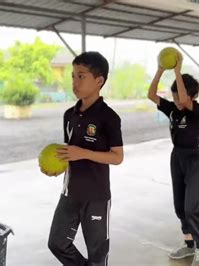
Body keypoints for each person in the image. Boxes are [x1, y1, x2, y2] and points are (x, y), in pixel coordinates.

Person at [46, 51, 124, 266]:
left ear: (99, 81)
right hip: (70, 192)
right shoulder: (68, 115)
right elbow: (70, 151)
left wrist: (84, 153)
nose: (74, 82)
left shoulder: (109, 117)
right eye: (73, 76)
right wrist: (57, 165)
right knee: (57, 243)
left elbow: (117, 157)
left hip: (96, 197)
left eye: (81, 76)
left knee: (97, 254)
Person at [147, 54, 199, 266]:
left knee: (192, 206)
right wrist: (159, 70)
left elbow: (184, 100)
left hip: (193, 158)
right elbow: (151, 94)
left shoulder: (198, 110)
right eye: (173, 97)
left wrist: (177, 69)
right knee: (180, 206)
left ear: (192, 96)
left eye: (179, 97)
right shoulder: (172, 109)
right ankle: (189, 245)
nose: (176, 101)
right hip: (177, 157)